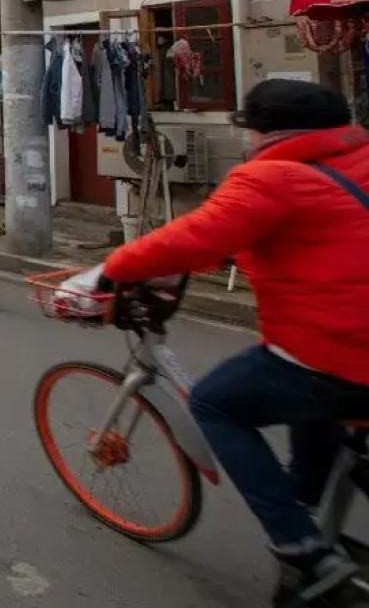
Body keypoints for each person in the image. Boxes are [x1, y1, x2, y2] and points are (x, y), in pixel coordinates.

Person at [97, 79, 369, 606]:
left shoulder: (270, 178)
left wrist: (115, 267)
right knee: (313, 413)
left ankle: (301, 550)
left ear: (267, 131)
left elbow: (193, 235)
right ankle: (306, 506)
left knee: (216, 403)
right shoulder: (355, 160)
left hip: (339, 351)